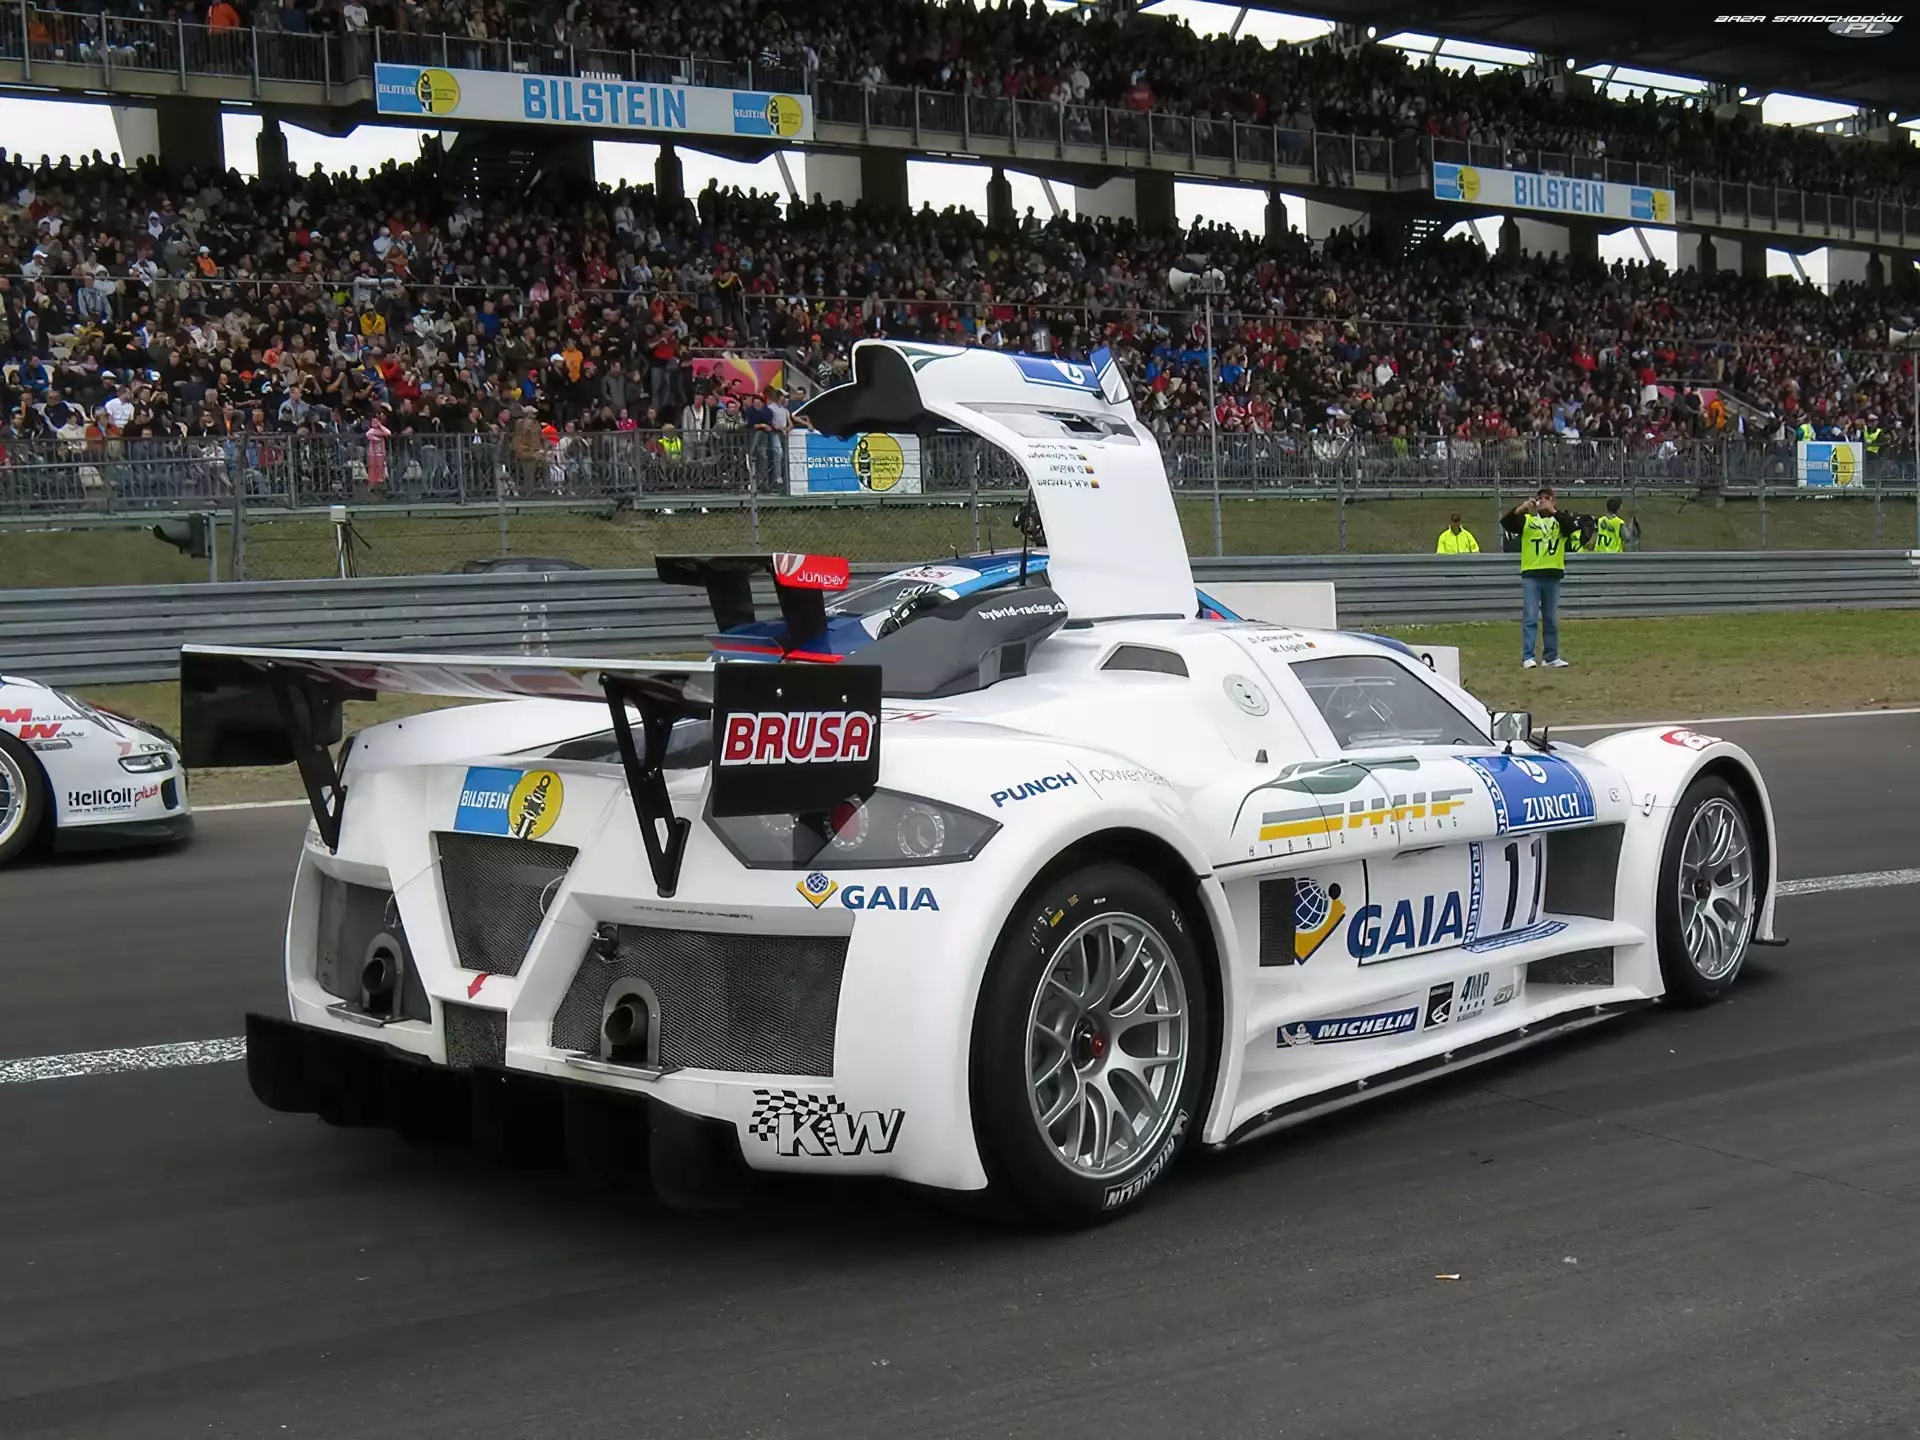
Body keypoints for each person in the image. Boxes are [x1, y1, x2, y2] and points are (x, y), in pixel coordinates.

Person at [1501, 486, 1576, 669]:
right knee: (1530, 617)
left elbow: (1571, 527)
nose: (1543, 500)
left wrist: (1553, 511)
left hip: (1552, 574)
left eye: (1547, 498)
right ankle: (1528, 656)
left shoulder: (1560, 521)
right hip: (1532, 574)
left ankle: (1551, 656)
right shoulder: (1527, 521)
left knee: (1551, 619)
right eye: (1540, 497)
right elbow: (1506, 523)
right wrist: (1521, 509)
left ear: (1553, 501)